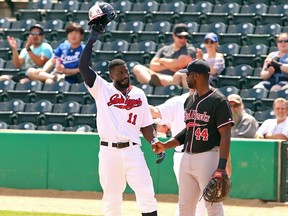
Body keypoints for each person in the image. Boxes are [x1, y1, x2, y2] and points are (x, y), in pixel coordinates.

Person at [78, 17, 161, 216]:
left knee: (146, 193)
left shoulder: (139, 94)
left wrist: (154, 141)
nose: (125, 75)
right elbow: (83, 67)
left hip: (133, 150)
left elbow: (146, 125)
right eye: (120, 73)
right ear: (111, 75)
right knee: (112, 199)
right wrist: (92, 38)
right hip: (109, 152)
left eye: (126, 72)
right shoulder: (101, 89)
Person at [152, 59, 234, 216]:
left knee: (212, 205)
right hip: (186, 157)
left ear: (197, 76)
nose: (186, 78)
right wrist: (166, 145)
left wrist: (221, 166)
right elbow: (188, 131)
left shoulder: (219, 100)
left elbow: (225, 134)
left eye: (188, 75)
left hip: (208, 156)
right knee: (185, 206)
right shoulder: (189, 100)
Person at [150, 89, 207, 216]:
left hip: (205, 154)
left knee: (201, 199)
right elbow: (155, 112)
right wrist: (138, 103)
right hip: (182, 154)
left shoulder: (212, 99)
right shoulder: (178, 101)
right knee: (191, 198)